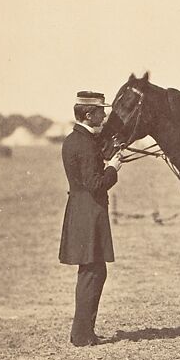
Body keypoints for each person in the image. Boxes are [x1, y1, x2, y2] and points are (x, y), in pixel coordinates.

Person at [58, 91, 123, 346]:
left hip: (82, 209)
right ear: (88, 114)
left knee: (94, 271)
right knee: (92, 272)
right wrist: (112, 169)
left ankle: (84, 332)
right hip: (89, 212)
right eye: (100, 112)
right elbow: (96, 183)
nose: (104, 115)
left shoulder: (76, 140)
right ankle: (82, 335)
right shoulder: (84, 144)